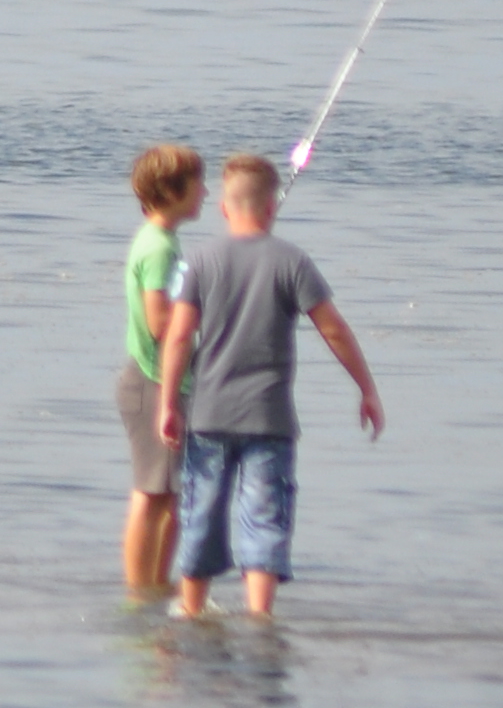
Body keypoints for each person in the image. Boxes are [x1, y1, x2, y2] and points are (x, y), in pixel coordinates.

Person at [157, 152, 383, 621]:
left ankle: (191, 609)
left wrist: (167, 404)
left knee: (201, 513)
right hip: (269, 419)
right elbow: (334, 328)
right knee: (264, 517)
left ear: (224, 207)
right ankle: (260, 618)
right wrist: (367, 388)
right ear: (271, 207)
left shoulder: (199, 260)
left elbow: (178, 336)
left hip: (209, 415)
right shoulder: (292, 261)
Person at [114, 144, 207, 594]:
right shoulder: (160, 248)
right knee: (153, 493)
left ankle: (158, 585)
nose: (206, 193)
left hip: (161, 380)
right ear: (173, 191)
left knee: (170, 493)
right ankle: (141, 589)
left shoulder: (164, 241)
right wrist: (204, 314)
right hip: (153, 382)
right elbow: (159, 322)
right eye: (198, 184)